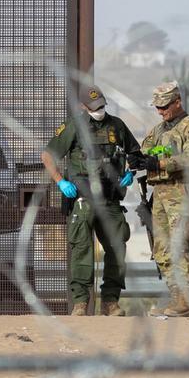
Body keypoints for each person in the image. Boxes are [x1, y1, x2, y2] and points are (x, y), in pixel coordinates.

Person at [41, 84, 140, 316]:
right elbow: (47, 156)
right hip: (82, 199)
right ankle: (80, 303)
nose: (99, 110)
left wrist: (130, 172)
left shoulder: (116, 125)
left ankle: (110, 302)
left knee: (117, 249)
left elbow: (135, 153)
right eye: (94, 107)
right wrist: (60, 182)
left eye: (102, 106)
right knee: (81, 251)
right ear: (83, 107)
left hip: (109, 200)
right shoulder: (74, 126)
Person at [139, 81, 189, 317]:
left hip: (180, 191)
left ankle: (186, 299)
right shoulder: (159, 130)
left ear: (178, 102)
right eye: (157, 107)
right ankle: (176, 298)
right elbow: (144, 151)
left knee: (179, 245)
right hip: (159, 193)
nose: (160, 111)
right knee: (162, 248)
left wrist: (160, 162)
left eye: (165, 106)